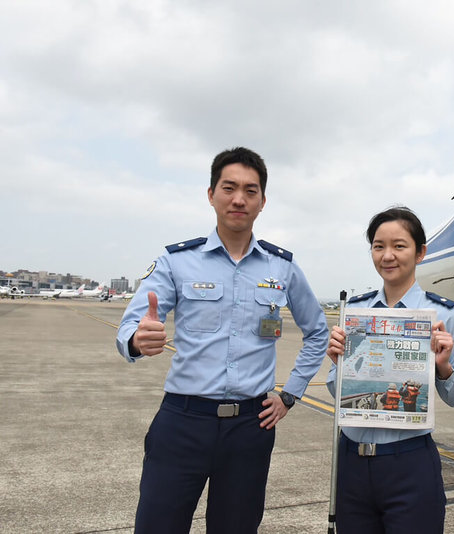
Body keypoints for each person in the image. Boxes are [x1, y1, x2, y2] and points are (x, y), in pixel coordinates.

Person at [115, 147, 328, 534]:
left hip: (251, 427)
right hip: (183, 422)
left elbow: (317, 331)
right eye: (229, 187)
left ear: (262, 202)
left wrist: (290, 394)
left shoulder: (283, 267)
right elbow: (131, 325)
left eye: (251, 190)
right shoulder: (176, 261)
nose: (239, 198)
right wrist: (137, 340)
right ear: (211, 193)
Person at [326, 206, 454, 533]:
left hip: (410, 463)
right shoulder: (356, 312)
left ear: (420, 253)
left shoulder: (441, 315)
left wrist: (443, 367)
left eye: (399, 246)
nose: (387, 255)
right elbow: (338, 393)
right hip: (352, 464)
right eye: (378, 246)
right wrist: (339, 364)